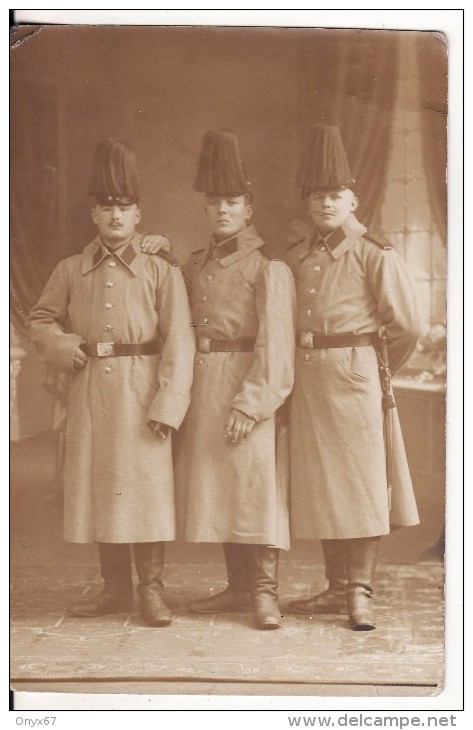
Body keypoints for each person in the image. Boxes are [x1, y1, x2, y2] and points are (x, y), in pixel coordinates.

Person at [27, 138, 195, 627]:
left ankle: (151, 591)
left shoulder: (160, 270)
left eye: (124, 208)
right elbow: (40, 319)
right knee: (104, 490)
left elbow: (179, 340)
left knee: (143, 491)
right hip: (91, 395)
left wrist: (169, 404)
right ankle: (115, 588)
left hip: (143, 392)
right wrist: (62, 346)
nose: (116, 217)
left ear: (139, 214)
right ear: (94, 215)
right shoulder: (72, 269)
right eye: (107, 208)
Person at [154, 128, 296, 630]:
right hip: (203, 385)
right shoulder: (195, 266)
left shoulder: (269, 266)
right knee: (222, 489)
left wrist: (250, 404)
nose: (222, 210)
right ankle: (237, 588)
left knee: (255, 488)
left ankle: (263, 592)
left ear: (249, 208)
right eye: (214, 202)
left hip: (246, 384)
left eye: (232, 202)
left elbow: (276, 345)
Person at [285, 124, 421, 631]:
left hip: (357, 377)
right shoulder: (298, 256)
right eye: (317, 195)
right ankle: (336, 587)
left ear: (353, 199)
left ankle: (360, 592)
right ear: (307, 201)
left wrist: (373, 365)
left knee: (362, 485)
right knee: (325, 485)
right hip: (308, 382)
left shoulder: (373, 252)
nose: (325, 204)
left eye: (335, 195)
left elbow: (406, 325)